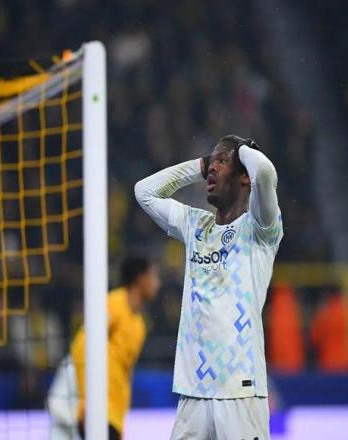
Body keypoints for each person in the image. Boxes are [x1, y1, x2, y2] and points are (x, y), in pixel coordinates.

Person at [135, 135, 283, 440]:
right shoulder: (195, 226)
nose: (213, 168)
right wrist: (201, 166)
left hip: (240, 392)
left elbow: (265, 172)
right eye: (212, 162)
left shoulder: (260, 230)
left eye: (222, 161)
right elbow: (144, 192)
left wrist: (242, 150)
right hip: (194, 393)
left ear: (244, 176)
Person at [50, 255, 160, 440]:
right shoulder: (114, 304)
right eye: (154, 276)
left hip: (114, 414)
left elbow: (125, 373)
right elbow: (82, 344)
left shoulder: (140, 325)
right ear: (140, 279)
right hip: (96, 407)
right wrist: (86, 399)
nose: (158, 283)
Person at [310, 286, 348, 372]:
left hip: (329, 362)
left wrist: (319, 315)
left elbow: (316, 336)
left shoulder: (327, 312)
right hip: (343, 360)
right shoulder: (344, 308)